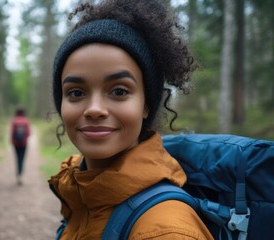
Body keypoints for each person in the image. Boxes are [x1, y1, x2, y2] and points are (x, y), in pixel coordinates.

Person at [48, 0, 214, 239]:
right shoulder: (81, 194)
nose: (94, 109)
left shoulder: (166, 231)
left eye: (119, 91)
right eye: (76, 93)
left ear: (146, 104)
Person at [11, 107, 30, 185]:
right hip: (24, 143)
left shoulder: (14, 121)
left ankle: (18, 174)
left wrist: (12, 141)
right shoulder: (26, 121)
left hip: (16, 143)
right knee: (22, 159)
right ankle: (20, 175)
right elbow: (29, 133)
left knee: (17, 158)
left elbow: (12, 133)